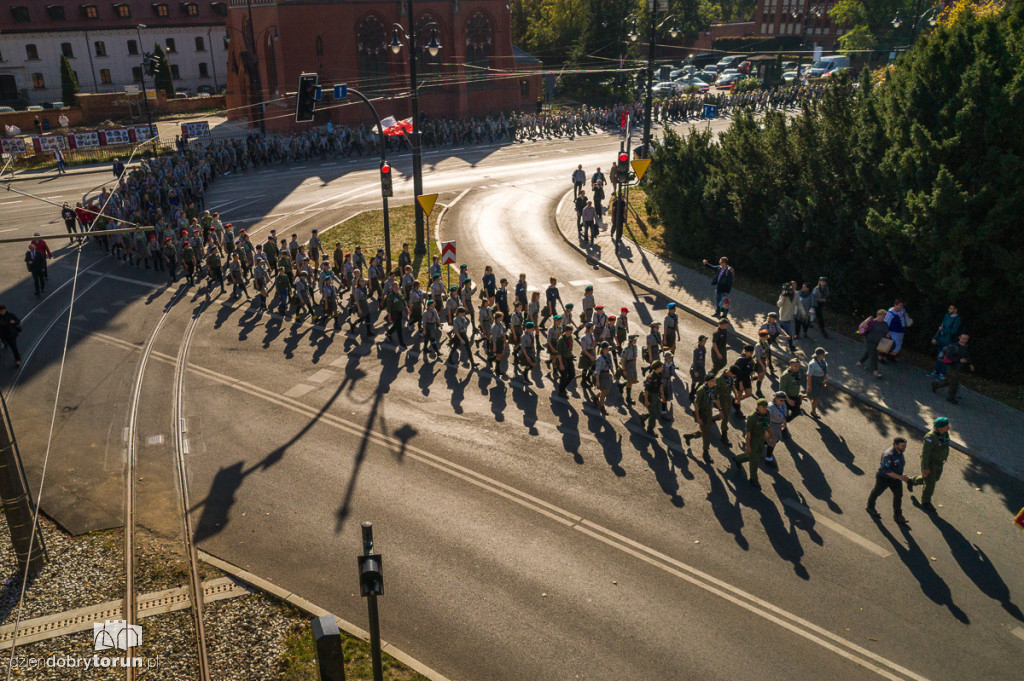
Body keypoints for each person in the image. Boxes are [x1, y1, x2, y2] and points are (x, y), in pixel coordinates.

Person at [866, 437, 911, 525]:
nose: (904, 447)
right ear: (895, 445)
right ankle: (870, 507)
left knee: (898, 495)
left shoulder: (900, 452)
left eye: (905, 446)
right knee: (877, 492)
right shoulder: (888, 455)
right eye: (902, 446)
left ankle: (898, 515)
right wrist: (901, 477)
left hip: (896, 478)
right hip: (884, 478)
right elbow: (886, 470)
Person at [910, 417, 951, 513]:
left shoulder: (944, 434)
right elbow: (925, 454)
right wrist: (925, 468)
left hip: (939, 462)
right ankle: (925, 502)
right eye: (946, 426)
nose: (948, 428)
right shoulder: (930, 437)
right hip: (931, 463)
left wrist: (944, 457)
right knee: (930, 484)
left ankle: (912, 481)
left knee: (935, 478)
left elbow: (945, 446)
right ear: (940, 428)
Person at [734, 398, 773, 489]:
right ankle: (753, 479)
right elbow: (748, 433)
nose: (765, 409)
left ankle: (738, 459)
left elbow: (768, 426)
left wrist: (772, 438)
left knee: (756, 455)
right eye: (763, 407)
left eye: (766, 407)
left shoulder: (767, 413)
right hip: (753, 439)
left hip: (761, 438)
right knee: (755, 460)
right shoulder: (752, 417)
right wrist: (747, 445)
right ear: (758, 406)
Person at [931, 334, 973, 404]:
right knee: (954, 382)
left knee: (949, 381)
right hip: (951, 366)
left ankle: (935, 384)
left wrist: (970, 364)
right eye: (963, 338)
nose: (964, 340)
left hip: (958, 367)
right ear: (959, 338)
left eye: (966, 339)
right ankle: (951, 398)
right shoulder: (954, 346)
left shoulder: (966, 347)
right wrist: (959, 360)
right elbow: (948, 357)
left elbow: (967, 356)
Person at [684, 374, 718, 456]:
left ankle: (690, 436)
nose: (714, 382)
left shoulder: (713, 388)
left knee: (705, 429)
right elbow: (696, 404)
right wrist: (698, 417)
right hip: (702, 413)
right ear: (708, 381)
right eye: (713, 381)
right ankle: (705, 452)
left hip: (709, 411)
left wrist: (720, 409)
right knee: (706, 433)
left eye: (715, 380)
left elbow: (715, 398)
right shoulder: (701, 390)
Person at [929, 305, 962, 378]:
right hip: (941, 338)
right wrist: (935, 337)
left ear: (955, 310)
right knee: (939, 356)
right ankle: (936, 371)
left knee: (945, 357)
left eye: (951, 308)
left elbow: (954, 331)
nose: (949, 310)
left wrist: (943, 330)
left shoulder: (957, 319)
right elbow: (941, 326)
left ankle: (943, 373)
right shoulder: (946, 316)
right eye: (949, 308)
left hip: (948, 341)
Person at [856, 309, 890, 379]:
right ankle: (875, 372)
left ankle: (859, 363)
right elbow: (861, 327)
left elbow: (886, 332)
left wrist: (887, 335)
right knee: (874, 356)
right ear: (877, 315)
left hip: (878, 342)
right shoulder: (872, 322)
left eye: (884, 317)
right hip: (869, 341)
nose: (882, 318)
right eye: (881, 316)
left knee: (868, 353)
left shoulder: (885, 324)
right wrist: (868, 319)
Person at [776, 282, 803, 352]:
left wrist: (803, 312)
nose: (794, 287)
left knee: (781, 328)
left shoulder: (796, 294)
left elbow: (799, 304)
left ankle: (772, 337)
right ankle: (792, 347)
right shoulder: (784, 293)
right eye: (793, 286)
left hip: (790, 315)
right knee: (789, 333)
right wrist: (782, 298)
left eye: (795, 286)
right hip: (784, 315)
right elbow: (779, 304)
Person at [765, 391, 789, 468]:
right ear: (776, 399)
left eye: (784, 400)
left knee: (773, 440)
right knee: (772, 443)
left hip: (778, 426)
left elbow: (784, 414)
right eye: (781, 400)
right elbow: (766, 419)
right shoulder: (770, 407)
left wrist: (784, 423)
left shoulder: (782, 404)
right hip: (772, 426)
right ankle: (768, 458)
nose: (783, 402)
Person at [642, 361, 665, 434]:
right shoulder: (651, 377)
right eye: (661, 366)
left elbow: (660, 385)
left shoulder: (660, 374)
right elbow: (646, 390)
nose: (662, 367)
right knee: (653, 414)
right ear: (657, 368)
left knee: (657, 411)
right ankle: (650, 429)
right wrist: (646, 400)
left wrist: (662, 395)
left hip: (656, 395)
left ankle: (643, 417)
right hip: (651, 396)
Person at [806, 347, 829, 418]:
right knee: (816, 397)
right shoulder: (812, 364)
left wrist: (825, 379)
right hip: (814, 380)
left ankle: (802, 396)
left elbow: (824, 370)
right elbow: (809, 376)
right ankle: (813, 411)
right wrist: (809, 386)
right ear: (818, 355)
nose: (824, 356)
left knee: (813, 395)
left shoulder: (823, 360)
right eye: (823, 355)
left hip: (821, 380)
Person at [555, 325, 576, 397]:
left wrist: (571, 355)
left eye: (571, 331)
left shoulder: (570, 338)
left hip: (569, 358)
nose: (571, 333)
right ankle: (561, 391)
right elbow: (559, 353)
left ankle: (563, 387)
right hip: (562, 359)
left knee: (572, 374)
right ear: (566, 331)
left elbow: (570, 348)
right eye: (570, 331)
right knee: (564, 376)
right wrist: (561, 364)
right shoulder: (561, 340)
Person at [619, 334, 639, 405]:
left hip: (632, 364)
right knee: (631, 381)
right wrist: (624, 370)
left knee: (634, 380)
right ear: (631, 341)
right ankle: (628, 397)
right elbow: (622, 360)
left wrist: (635, 366)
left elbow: (635, 357)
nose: (636, 340)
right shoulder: (626, 349)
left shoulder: (635, 347)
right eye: (635, 339)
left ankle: (622, 385)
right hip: (628, 364)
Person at [593, 343, 614, 414]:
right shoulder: (600, 358)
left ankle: (596, 397)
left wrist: (613, 373)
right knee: (604, 391)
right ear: (604, 349)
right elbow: (597, 371)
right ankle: (602, 407)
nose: (609, 350)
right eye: (607, 348)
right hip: (602, 375)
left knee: (607, 390)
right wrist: (597, 381)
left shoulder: (608, 355)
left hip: (607, 374)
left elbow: (611, 365)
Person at [688, 335, 707, 402]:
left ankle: (695, 390)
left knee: (703, 380)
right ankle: (691, 394)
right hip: (697, 367)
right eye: (703, 341)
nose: (705, 342)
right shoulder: (696, 350)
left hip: (701, 367)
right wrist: (695, 371)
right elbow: (694, 361)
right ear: (700, 341)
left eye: (705, 341)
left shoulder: (703, 348)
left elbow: (703, 359)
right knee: (694, 381)